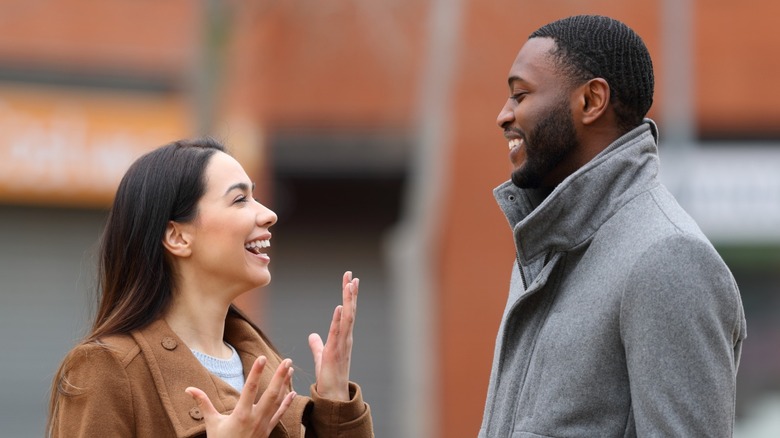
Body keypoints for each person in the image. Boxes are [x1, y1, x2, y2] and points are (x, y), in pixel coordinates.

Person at [480, 15, 746, 437]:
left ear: (591, 101)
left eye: (520, 95)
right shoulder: (548, 248)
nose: (503, 115)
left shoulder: (667, 258)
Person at [47, 138, 373, 437]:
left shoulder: (269, 373)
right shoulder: (107, 370)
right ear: (177, 237)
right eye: (240, 199)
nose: (269, 214)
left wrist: (335, 406)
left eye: (256, 196)